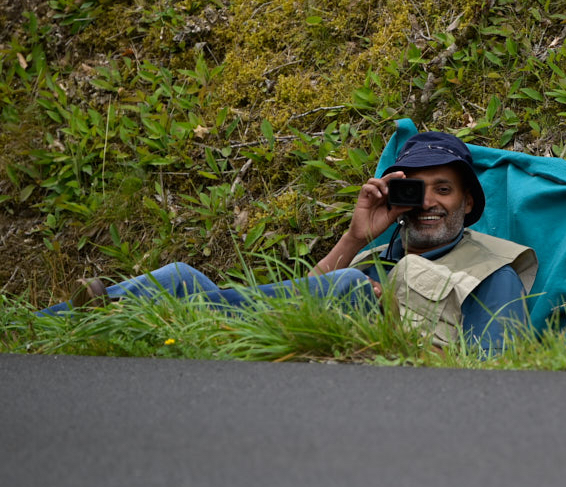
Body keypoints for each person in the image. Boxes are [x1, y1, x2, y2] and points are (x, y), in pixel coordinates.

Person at [40, 132, 539, 354]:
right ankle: (44, 325)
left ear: (469, 204)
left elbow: (497, 369)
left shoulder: (492, 271)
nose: (428, 202)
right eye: (415, 189)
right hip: (306, 340)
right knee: (180, 275)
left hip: (387, 372)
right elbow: (300, 300)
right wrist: (354, 236)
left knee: (345, 287)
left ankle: (173, 311)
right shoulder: (374, 255)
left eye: (444, 189)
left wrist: (397, 334)